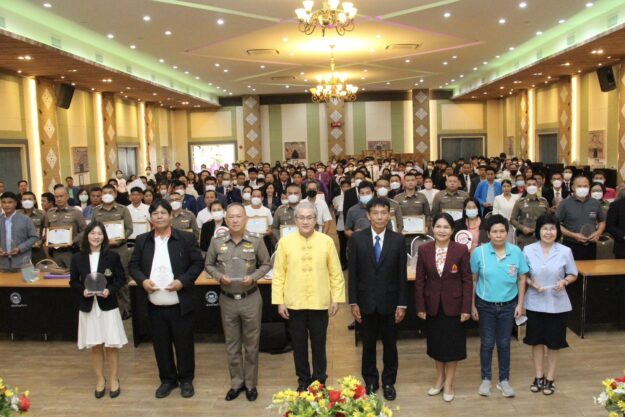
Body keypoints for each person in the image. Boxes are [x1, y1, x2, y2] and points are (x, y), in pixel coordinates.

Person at [128, 200, 203, 399]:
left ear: (171, 216)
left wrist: (182, 281)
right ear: (150, 218)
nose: (159, 216)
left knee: (184, 344)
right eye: (155, 213)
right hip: (154, 304)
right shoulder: (142, 240)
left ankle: (186, 380)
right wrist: (143, 281)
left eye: (163, 213)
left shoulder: (186, 238)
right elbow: (133, 266)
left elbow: (197, 264)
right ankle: (168, 380)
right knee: (160, 345)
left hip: (180, 303)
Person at [272, 202, 345, 391]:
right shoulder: (285, 242)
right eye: (301, 218)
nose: (305, 221)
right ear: (295, 220)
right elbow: (279, 273)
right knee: (299, 345)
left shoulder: (326, 241)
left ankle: (319, 381)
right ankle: (303, 381)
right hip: (294, 302)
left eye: (309, 217)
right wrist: (279, 301)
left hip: (319, 302)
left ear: (316, 220)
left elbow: (335, 272)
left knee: (319, 345)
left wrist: (336, 298)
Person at [205, 204, 271, 402]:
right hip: (227, 300)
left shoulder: (256, 240)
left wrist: (254, 277)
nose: (235, 220)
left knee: (251, 344)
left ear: (246, 219)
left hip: (250, 298)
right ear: (226, 220)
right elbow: (208, 265)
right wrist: (219, 276)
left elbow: (266, 263)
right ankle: (236, 383)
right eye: (231, 217)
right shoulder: (216, 242)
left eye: (239, 216)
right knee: (232, 344)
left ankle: (250, 384)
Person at [348, 197, 407, 400]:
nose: (380, 217)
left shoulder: (398, 240)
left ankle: (389, 382)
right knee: (368, 345)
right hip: (365, 302)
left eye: (383, 213)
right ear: (368, 215)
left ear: (389, 215)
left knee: (390, 345)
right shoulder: (357, 239)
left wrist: (402, 304)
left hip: (390, 303)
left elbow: (401, 275)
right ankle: (371, 381)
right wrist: (353, 302)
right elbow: (353, 273)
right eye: (375, 213)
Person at [415, 213, 472, 403]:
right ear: (432, 228)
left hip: (454, 305)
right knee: (436, 345)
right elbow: (420, 281)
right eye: (438, 226)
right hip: (432, 305)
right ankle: (439, 379)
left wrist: (466, 308)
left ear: (452, 230)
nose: (442, 230)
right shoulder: (424, 249)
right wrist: (420, 306)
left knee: (453, 346)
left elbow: (467, 280)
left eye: (446, 227)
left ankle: (449, 383)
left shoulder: (461, 250)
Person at [470, 215, 529, 398]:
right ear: (488, 234)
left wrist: (520, 304)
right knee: (487, 343)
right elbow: (473, 280)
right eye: (494, 231)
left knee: (504, 344)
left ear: (507, 233)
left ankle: (504, 380)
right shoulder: (479, 253)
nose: (498, 235)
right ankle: (486, 379)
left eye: (502, 231)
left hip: (509, 305)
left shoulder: (516, 252)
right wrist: (472, 305)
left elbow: (522, 278)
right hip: (485, 304)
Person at [69, 221, 128, 399]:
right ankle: (100, 379)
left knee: (111, 345)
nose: (96, 237)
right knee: (95, 345)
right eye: (93, 233)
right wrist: (83, 291)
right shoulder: (77, 258)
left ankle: (114, 379)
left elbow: (121, 279)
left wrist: (110, 290)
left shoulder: (112, 256)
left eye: (99, 234)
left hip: (107, 305)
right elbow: (73, 281)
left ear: (104, 237)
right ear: (87, 236)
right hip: (88, 306)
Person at [522, 214, 577, 396]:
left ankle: (550, 379)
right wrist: (532, 284)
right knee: (536, 341)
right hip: (535, 302)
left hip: (557, 303)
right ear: (538, 231)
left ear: (557, 231)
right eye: (545, 228)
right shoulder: (528, 250)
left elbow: (573, 273)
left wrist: (564, 282)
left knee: (554, 343)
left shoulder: (565, 251)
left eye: (552, 228)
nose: (548, 232)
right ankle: (539, 376)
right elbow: (523, 275)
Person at [91, 185, 134, 319]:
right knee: (105, 278)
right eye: (105, 192)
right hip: (102, 251)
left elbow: (129, 228)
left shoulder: (123, 209)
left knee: (122, 279)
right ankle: (108, 308)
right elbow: (92, 229)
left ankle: (126, 309)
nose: (107, 194)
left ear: (115, 194)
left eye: (110, 192)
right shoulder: (96, 211)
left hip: (120, 250)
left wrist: (119, 240)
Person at [556, 175, 606, 260]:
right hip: (571, 244)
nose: (582, 188)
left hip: (591, 245)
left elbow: (602, 221)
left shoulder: (595, 203)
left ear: (589, 187)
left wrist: (598, 232)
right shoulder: (564, 203)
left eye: (585, 186)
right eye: (579, 186)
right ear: (573, 187)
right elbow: (556, 224)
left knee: (591, 268)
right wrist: (573, 235)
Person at [44, 184, 87, 269]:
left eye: (61, 196)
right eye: (56, 197)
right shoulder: (50, 213)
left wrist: (73, 240)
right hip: (55, 252)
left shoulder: (76, 212)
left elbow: (85, 230)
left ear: (67, 196)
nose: (59, 199)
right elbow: (47, 230)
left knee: (72, 274)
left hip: (71, 251)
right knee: (56, 275)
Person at [0, 192, 37, 271]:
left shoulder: (25, 219)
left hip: (22, 263)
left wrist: (20, 248)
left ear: (15, 203)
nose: (6, 205)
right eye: (4, 202)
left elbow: (33, 237)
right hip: (2, 264)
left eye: (10, 202)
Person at [509, 177, 549, 249]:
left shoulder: (544, 201)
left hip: (541, 237)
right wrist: (522, 228)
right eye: (529, 185)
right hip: (524, 238)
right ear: (525, 187)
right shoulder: (519, 202)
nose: (532, 186)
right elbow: (512, 219)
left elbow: (548, 219)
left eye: (534, 184)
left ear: (537, 187)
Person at [332, 180, 351, 269]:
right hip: (341, 224)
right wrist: (336, 211)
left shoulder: (355, 198)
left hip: (351, 225)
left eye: (347, 186)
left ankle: (352, 262)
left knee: (353, 245)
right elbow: (335, 214)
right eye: (344, 186)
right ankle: (343, 262)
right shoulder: (337, 199)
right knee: (342, 245)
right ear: (341, 188)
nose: (346, 188)